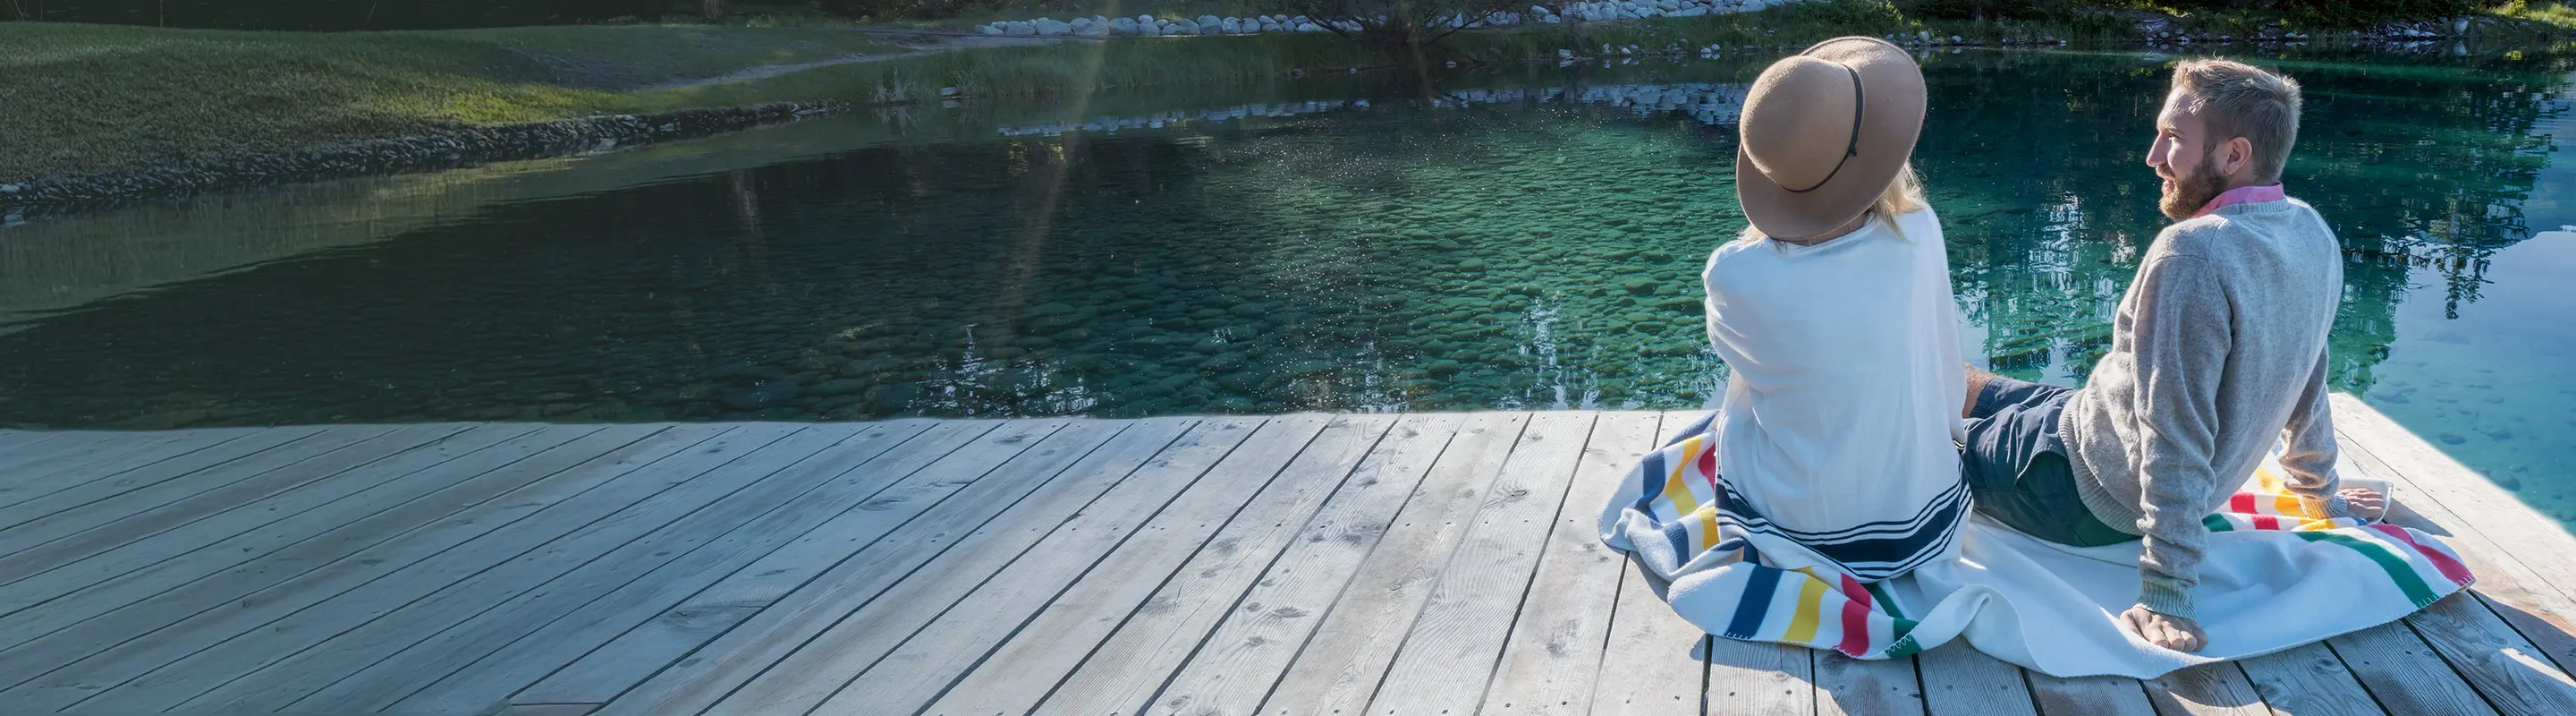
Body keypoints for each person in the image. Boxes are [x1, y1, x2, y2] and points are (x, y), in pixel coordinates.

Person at [1955, 59, 2385, 652]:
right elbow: (2306, 375)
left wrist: (2167, 591)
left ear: (2233, 156)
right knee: (1970, 385)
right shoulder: (2309, 231)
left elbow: (2173, 431)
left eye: (2175, 139)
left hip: (2073, 492)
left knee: (1917, 434)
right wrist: (2321, 496)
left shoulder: (2194, 255)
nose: (2153, 156)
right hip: (2093, 422)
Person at [1691, 37, 1970, 582]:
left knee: (1742, 407)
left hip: (1806, 525)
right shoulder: (1919, 232)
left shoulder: (1732, 274)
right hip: (1924, 516)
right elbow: (1942, 369)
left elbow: (1752, 375)